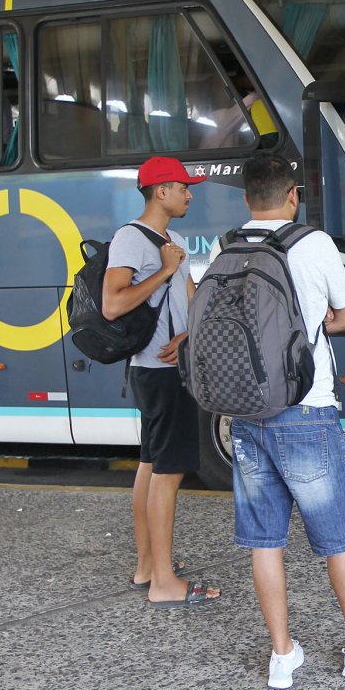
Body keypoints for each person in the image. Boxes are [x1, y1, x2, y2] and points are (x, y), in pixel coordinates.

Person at [223, 153, 345, 687]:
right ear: (293, 195)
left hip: (245, 413)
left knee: (265, 539)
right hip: (306, 409)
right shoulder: (313, 243)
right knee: (337, 536)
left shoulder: (229, 245)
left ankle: (282, 656)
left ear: (246, 199)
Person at [101, 156, 221, 607]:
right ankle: (164, 583)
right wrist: (166, 271)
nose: (190, 194)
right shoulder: (132, 239)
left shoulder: (173, 239)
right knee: (167, 474)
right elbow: (114, 304)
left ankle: (149, 565)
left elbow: (189, 302)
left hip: (169, 367)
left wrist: (189, 333)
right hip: (156, 372)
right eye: (183, 187)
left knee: (152, 466)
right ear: (160, 191)